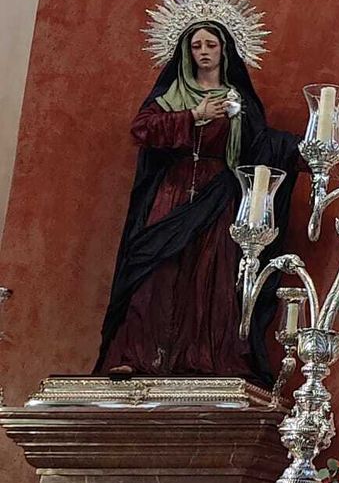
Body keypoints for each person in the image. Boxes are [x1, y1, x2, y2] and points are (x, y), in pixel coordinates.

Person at [97, 21, 299, 383]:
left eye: (210, 45)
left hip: (218, 195)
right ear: (186, 53)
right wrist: (193, 116)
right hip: (171, 193)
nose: (203, 52)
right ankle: (137, 355)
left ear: (224, 50)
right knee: (156, 269)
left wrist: (304, 147)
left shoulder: (238, 99)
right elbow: (141, 130)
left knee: (211, 271)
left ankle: (203, 358)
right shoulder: (172, 95)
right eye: (195, 46)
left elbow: (260, 147)